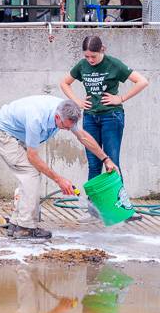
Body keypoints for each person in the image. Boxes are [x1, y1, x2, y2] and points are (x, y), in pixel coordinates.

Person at [0, 96, 116, 240]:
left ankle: (17, 223)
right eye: (65, 127)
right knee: (30, 173)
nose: (68, 130)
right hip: (2, 134)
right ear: (57, 117)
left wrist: (106, 159)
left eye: (70, 127)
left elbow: (83, 137)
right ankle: (25, 228)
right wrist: (59, 179)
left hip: (17, 134)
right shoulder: (36, 118)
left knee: (29, 175)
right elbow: (33, 156)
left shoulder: (66, 110)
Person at [60, 35, 149, 222]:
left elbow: (142, 81)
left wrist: (121, 98)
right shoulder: (82, 66)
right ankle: (94, 211)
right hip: (91, 118)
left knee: (112, 161)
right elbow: (64, 83)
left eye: (93, 56)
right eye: (87, 57)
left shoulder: (113, 64)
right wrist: (77, 101)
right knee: (94, 164)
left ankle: (125, 210)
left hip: (112, 117)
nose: (90, 60)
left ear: (102, 50)